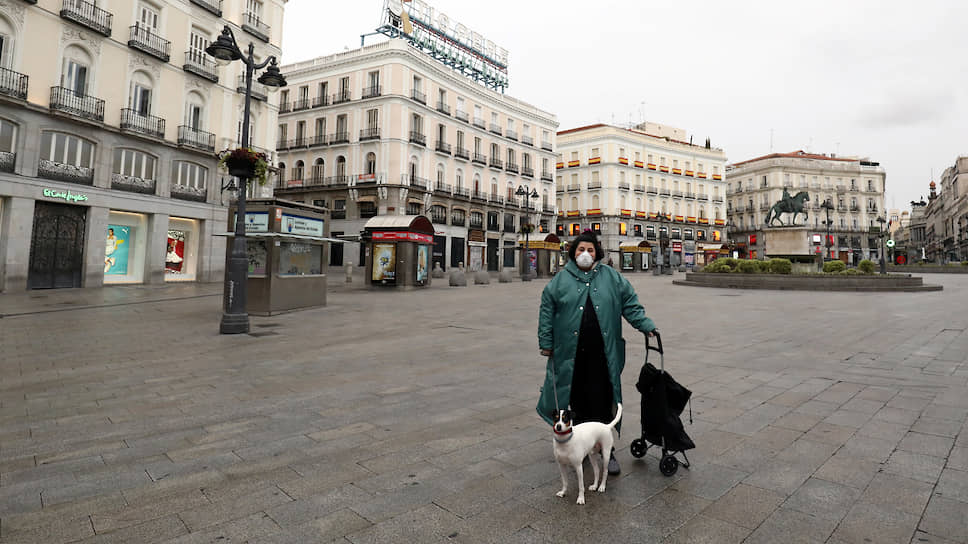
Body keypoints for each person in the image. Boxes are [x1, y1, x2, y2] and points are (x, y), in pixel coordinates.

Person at [537, 230, 657, 475]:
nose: (585, 254)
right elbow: (546, 310)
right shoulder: (560, 280)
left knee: (603, 401)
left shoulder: (612, 277)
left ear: (597, 253)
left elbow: (630, 304)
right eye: (581, 249)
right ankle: (579, 450)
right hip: (571, 356)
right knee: (577, 401)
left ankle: (607, 452)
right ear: (573, 253)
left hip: (604, 355)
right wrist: (546, 341)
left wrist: (646, 326)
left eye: (590, 250)